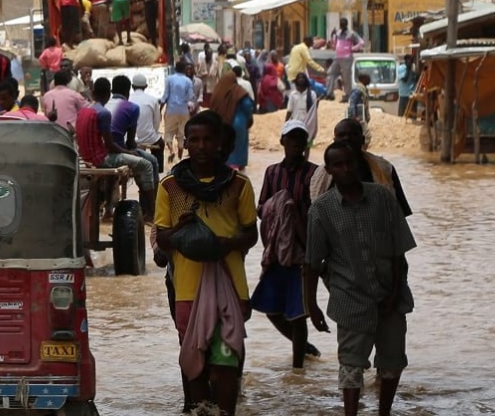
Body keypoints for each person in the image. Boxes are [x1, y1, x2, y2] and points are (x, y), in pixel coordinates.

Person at [155, 111, 257, 416]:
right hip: (186, 290)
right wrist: (180, 232)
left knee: (225, 367)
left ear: (219, 143)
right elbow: (161, 239)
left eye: (208, 139)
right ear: (185, 144)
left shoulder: (239, 185)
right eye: (195, 140)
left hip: (231, 287)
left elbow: (251, 234)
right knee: (195, 366)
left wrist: (228, 244)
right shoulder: (169, 187)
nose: (201, 146)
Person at [305, 143, 418, 416]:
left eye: (349, 163)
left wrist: (394, 291)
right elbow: (311, 263)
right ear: (329, 170)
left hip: (390, 294)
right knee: (351, 365)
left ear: (359, 164)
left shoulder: (383, 198)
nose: (345, 169)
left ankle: (384, 412)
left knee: (392, 362)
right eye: (338, 165)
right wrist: (311, 306)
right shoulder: (321, 210)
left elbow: (398, 252)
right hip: (349, 297)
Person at [251, 120, 322, 370]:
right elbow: (261, 208)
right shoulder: (272, 172)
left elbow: (319, 211)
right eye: (291, 140)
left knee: (298, 312)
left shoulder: (315, 173)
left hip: (302, 250)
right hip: (276, 250)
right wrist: (280, 207)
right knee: (270, 308)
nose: (296, 146)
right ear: (282, 142)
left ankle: (297, 369)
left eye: (300, 141)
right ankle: (303, 348)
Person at [311, 118, 413, 217]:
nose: (347, 138)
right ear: (334, 141)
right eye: (342, 135)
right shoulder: (321, 175)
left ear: (363, 140)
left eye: (353, 134)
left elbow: (400, 213)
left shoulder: (385, 168)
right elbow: (315, 215)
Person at [105, 75, 159, 220]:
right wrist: (133, 150)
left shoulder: (105, 103)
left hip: (104, 151)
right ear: (128, 91)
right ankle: (151, 211)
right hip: (117, 150)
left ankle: (108, 209)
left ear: (111, 90)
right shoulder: (131, 107)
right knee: (150, 163)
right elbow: (130, 142)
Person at [207, 70, 253, 169]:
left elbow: (212, 106)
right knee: (240, 144)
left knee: (225, 143)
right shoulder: (239, 90)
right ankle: (240, 164)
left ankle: (226, 163)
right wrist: (248, 116)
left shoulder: (217, 91)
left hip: (222, 123)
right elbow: (248, 105)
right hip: (239, 122)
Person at [129, 73, 165, 172]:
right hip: (149, 137)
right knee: (160, 144)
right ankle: (159, 171)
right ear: (146, 86)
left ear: (132, 86)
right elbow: (157, 122)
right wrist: (152, 132)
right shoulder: (153, 100)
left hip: (130, 139)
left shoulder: (127, 99)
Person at [164, 62, 199, 161]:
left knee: (168, 133)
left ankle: (171, 151)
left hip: (171, 109)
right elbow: (191, 96)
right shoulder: (188, 81)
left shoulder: (169, 79)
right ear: (184, 70)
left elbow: (165, 96)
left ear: (175, 68)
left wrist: (161, 107)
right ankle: (179, 158)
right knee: (182, 134)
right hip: (184, 111)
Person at [329, 19, 365, 95]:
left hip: (346, 58)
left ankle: (347, 94)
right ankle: (329, 93)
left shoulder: (351, 34)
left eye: (343, 24)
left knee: (346, 77)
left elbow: (361, 42)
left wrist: (352, 48)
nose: (342, 25)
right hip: (337, 57)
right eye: (341, 24)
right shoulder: (338, 33)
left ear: (346, 24)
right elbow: (334, 45)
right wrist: (332, 36)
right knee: (331, 73)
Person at [287, 73, 323, 144]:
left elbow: (313, 110)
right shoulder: (292, 94)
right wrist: (286, 123)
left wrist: (316, 104)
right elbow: (289, 110)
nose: (301, 79)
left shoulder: (312, 94)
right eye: (299, 78)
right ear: (296, 81)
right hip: (295, 122)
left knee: (307, 143)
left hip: (308, 122)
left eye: (303, 78)